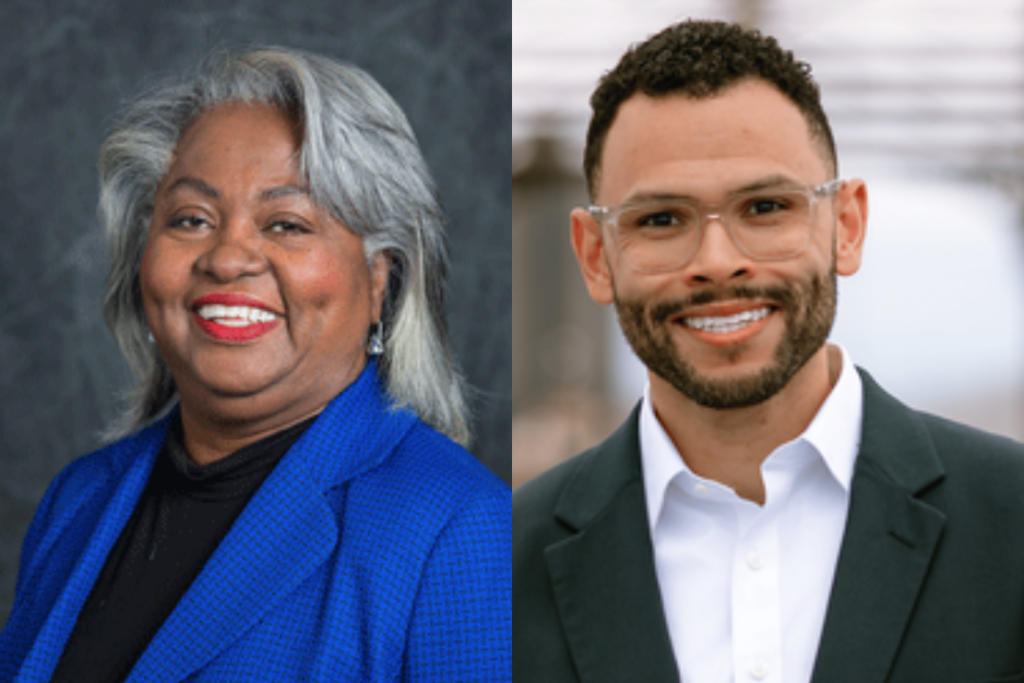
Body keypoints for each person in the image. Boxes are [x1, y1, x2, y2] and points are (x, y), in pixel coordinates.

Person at [513, 19, 1024, 683]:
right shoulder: (491, 566)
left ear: (846, 225)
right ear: (594, 255)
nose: (718, 263)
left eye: (765, 207)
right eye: (661, 219)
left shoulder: (1012, 521)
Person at [0, 47, 510, 682]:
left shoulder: (459, 530)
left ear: (380, 280)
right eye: (191, 218)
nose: (228, 257)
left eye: (287, 224)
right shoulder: (77, 499)